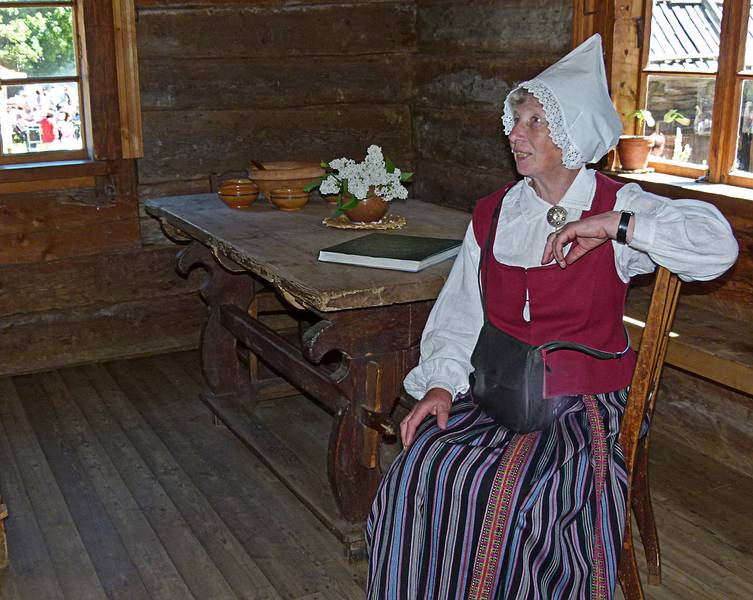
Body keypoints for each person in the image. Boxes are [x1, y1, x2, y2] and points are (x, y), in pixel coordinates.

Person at [366, 34, 738, 599]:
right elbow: (462, 310)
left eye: (535, 121)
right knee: (421, 468)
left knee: (511, 493)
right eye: (517, 120)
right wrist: (441, 382)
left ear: (573, 132)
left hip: (581, 405)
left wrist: (616, 226)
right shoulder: (495, 212)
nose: (516, 133)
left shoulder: (618, 203)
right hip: (498, 390)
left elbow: (718, 247)